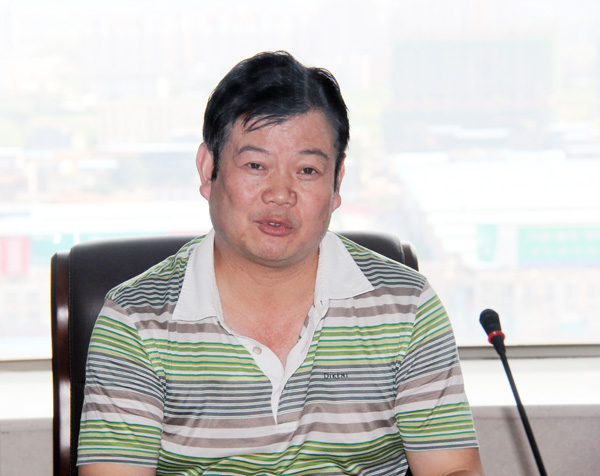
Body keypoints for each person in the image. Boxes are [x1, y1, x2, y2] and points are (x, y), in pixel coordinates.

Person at [78, 51, 485, 476]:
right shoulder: (136, 319)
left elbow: (452, 469)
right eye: (256, 165)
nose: (280, 194)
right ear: (208, 168)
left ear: (337, 183)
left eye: (307, 170)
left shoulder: (405, 306)